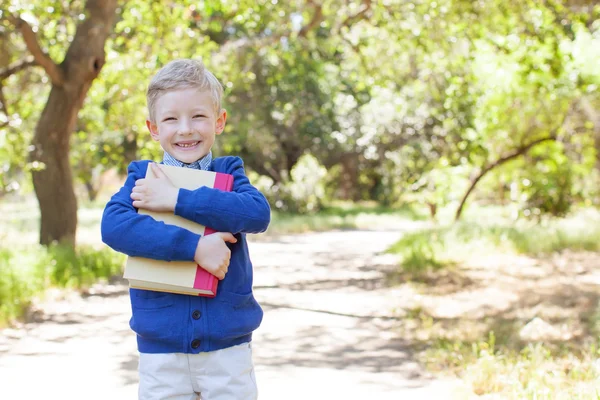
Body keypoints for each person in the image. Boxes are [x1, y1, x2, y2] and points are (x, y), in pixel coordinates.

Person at [101, 58, 271, 400]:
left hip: (227, 348)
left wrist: (176, 198)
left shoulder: (230, 173)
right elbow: (114, 226)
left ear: (219, 121)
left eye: (198, 116)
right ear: (153, 128)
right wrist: (195, 247)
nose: (185, 129)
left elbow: (257, 214)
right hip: (161, 349)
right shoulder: (142, 177)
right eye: (170, 119)